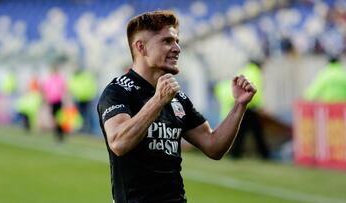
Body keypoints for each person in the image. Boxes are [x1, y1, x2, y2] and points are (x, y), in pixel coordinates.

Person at [97, 10, 256, 203]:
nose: (177, 48)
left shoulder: (176, 96)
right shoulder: (118, 91)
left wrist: (239, 105)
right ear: (141, 47)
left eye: (177, 41)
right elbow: (119, 143)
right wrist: (158, 101)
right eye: (167, 41)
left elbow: (214, 146)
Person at [215, 60, 270, 159]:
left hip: (240, 105)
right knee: (257, 132)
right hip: (250, 107)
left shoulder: (244, 70)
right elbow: (255, 91)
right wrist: (260, 106)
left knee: (240, 132)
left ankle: (235, 154)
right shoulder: (256, 73)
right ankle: (264, 155)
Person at [43, 63, 67, 142]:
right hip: (52, 101)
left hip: (58, 100)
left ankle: (60, 133)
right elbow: (46, 90)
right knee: (54, 118)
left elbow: (64, 89)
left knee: (59, 118)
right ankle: (57, 133)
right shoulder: (50, 79)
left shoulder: (59, 79)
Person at [68, 68, 97, 134]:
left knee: (88, 114)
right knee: (80, 115)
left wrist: (91, 95)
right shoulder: (75, 77)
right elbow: (71, 87)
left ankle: (89, 129)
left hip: (87, 98)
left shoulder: (86, 77)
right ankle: (81, 128)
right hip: (78, 99)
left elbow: (91, 86)